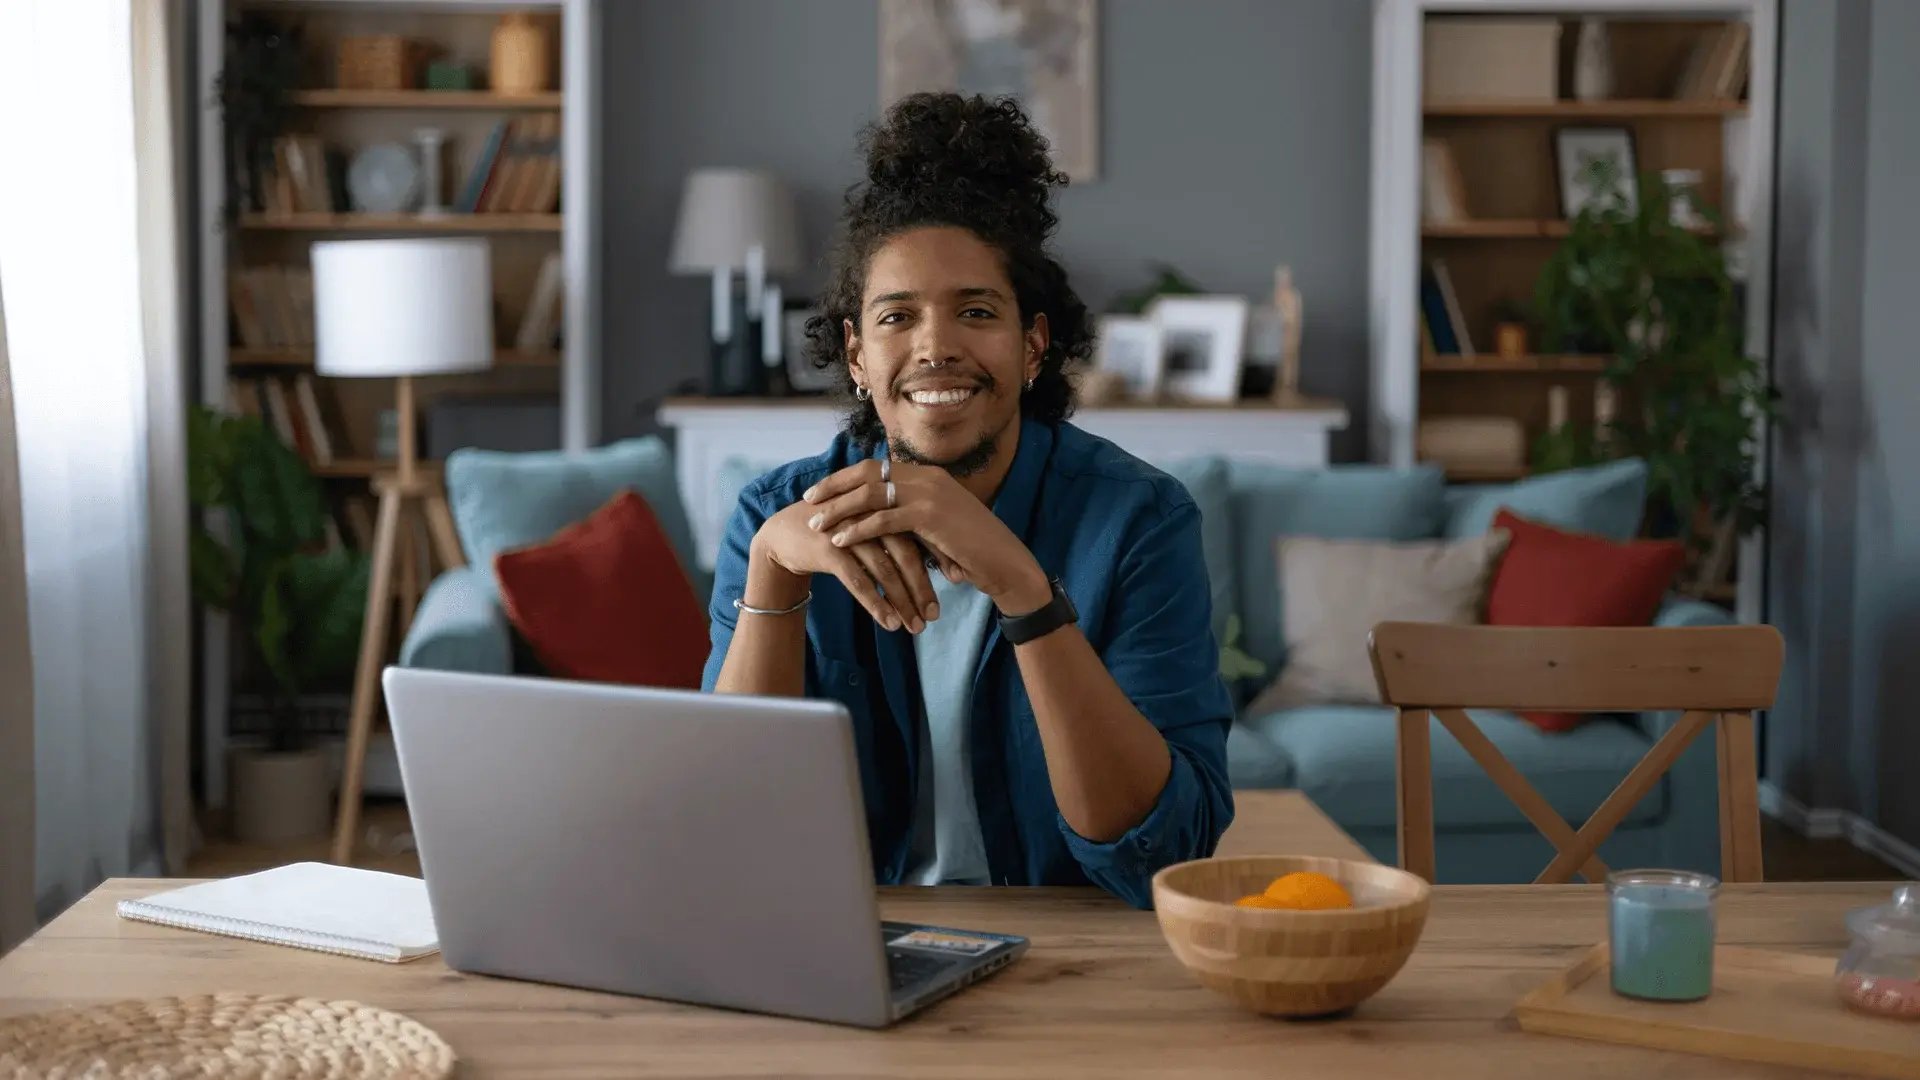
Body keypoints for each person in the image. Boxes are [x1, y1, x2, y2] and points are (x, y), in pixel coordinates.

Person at [702, 93, 1232, 909]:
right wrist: (774, 573)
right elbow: (729, 834)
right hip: (851, 940)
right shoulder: (774, 519)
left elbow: (1159, 854)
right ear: (856, 354)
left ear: (1032, 345)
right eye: (896, 317)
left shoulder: (1139, 523)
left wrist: (1023, 589)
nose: (935, 347)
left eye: (976, 312)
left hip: (1073, 961)